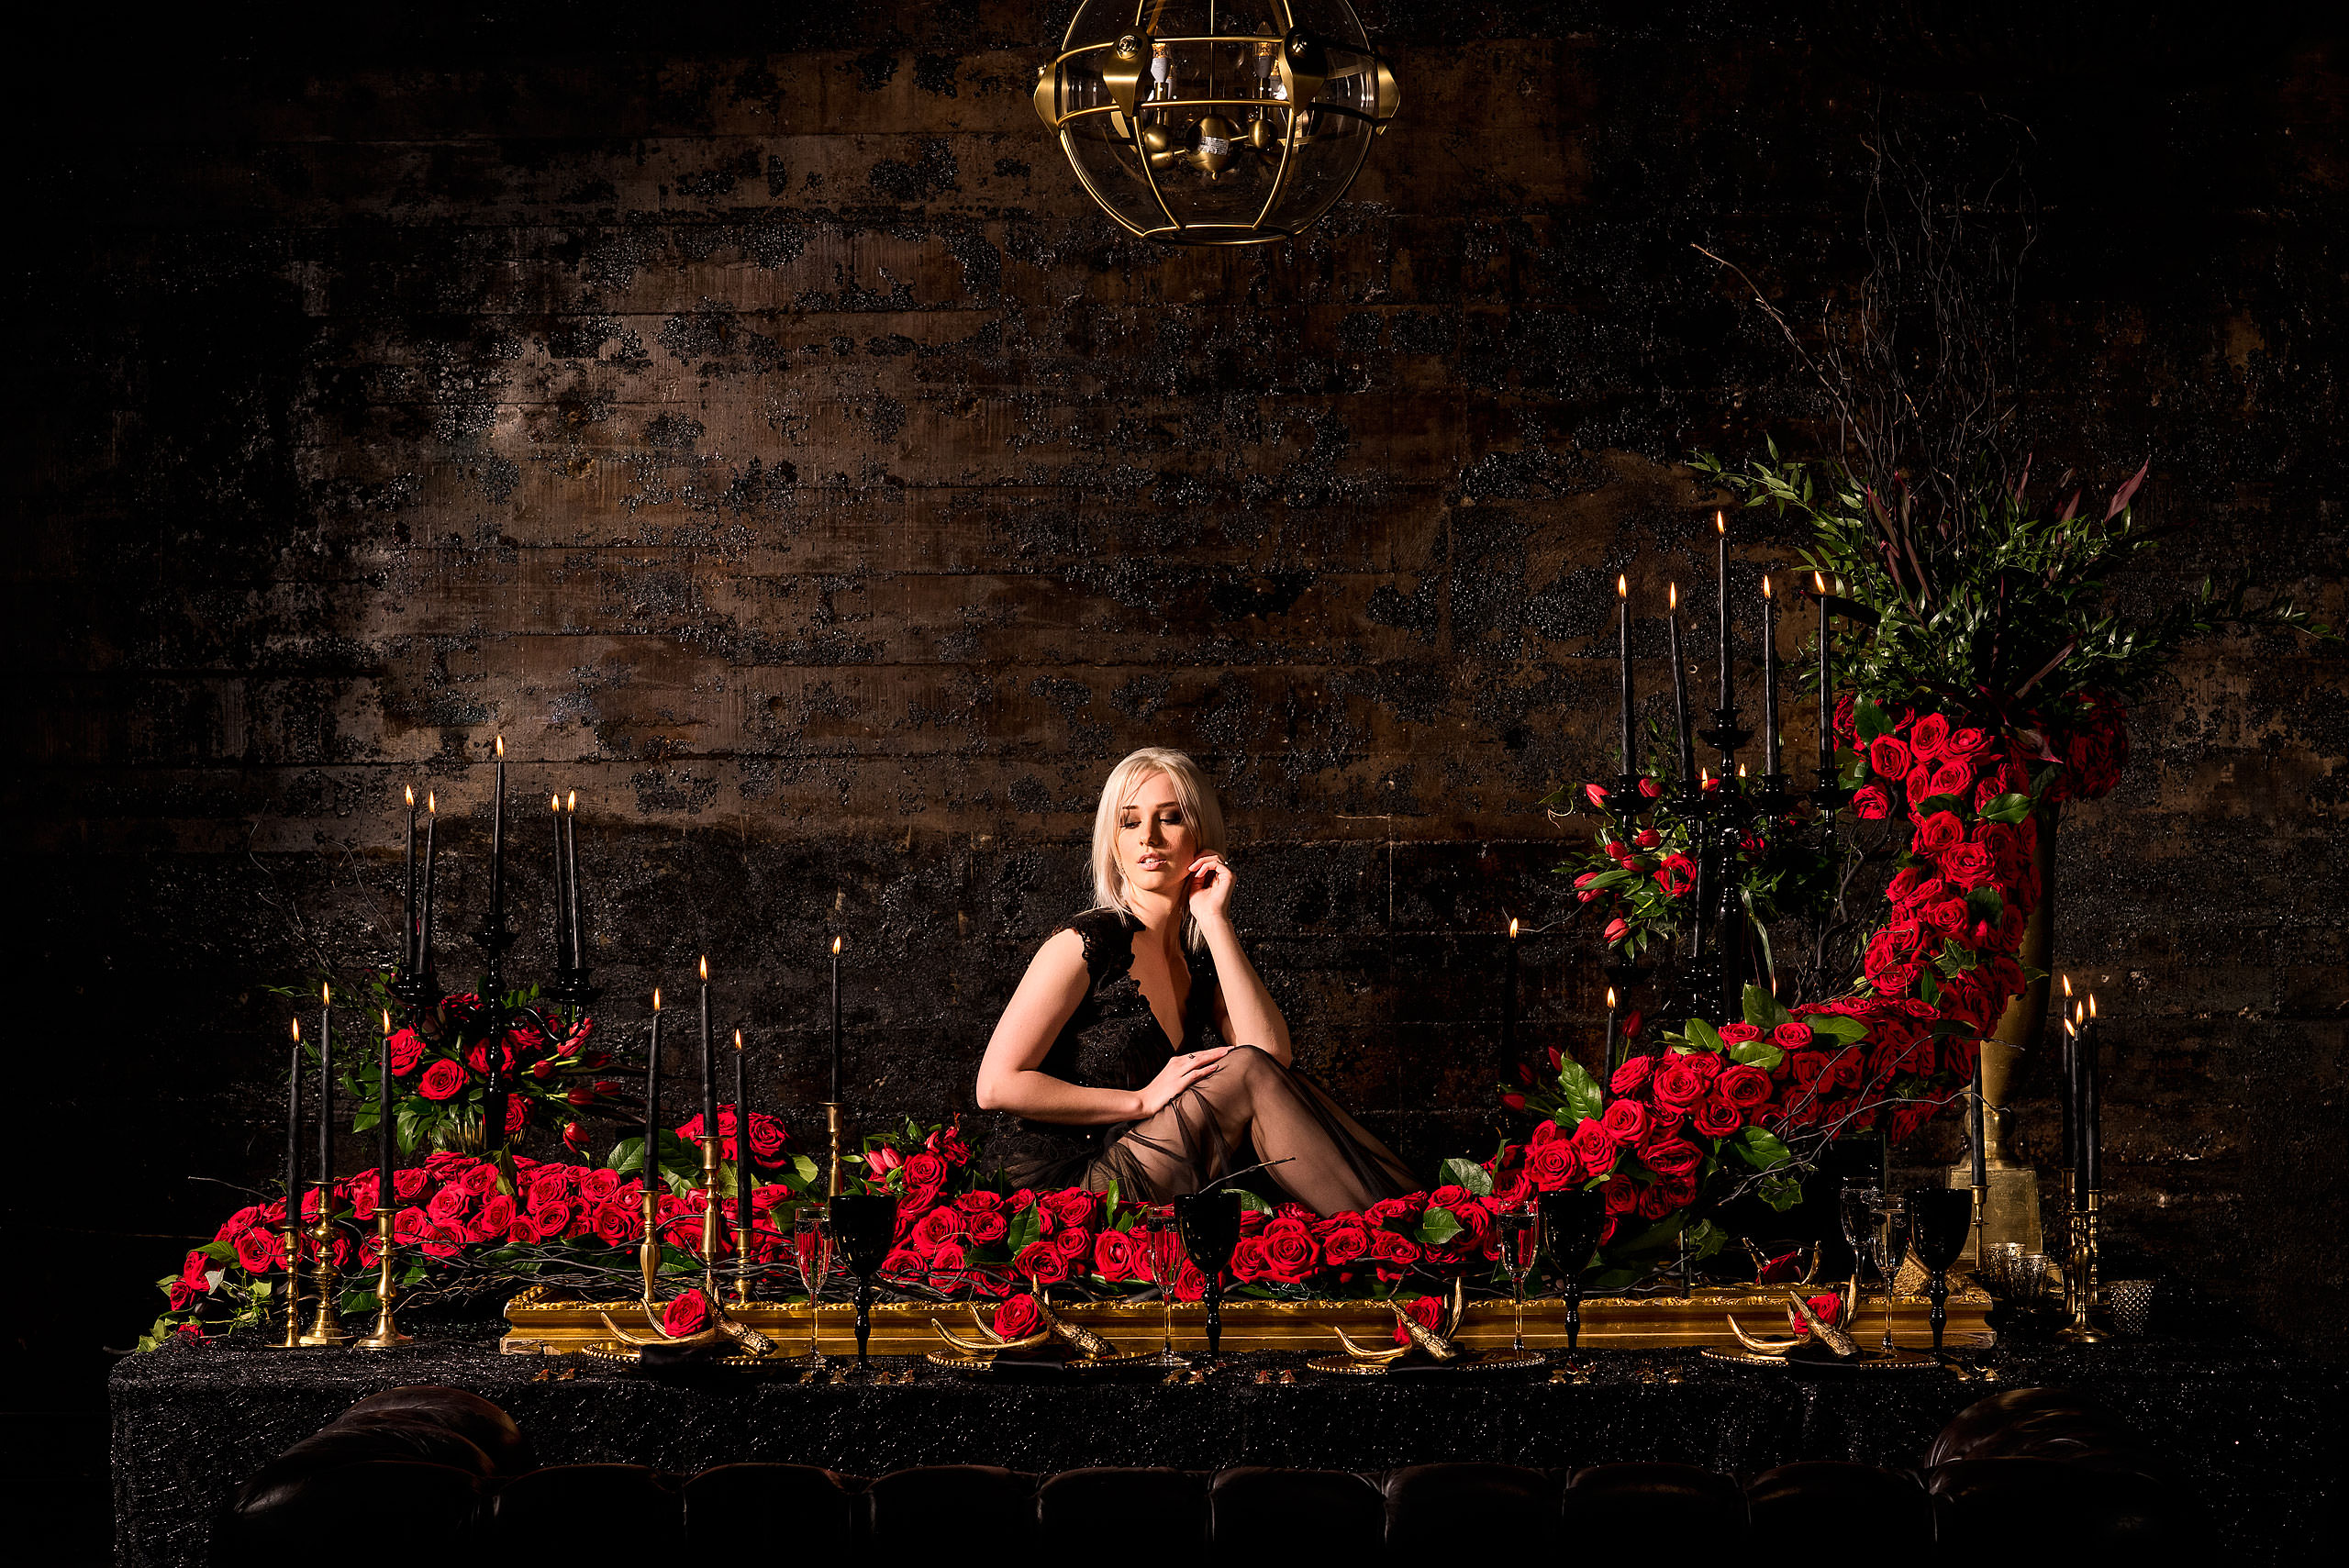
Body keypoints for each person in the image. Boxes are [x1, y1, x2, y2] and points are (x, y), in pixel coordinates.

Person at [976, 747, 1417, 1215]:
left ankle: (1423, 1221)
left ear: (1200, 836)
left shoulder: (1197, 958)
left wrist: (1214, 920)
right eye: (1130, 822)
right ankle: (1400, 1235)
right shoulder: (1083, 944)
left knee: (1259, 1071)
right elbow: (997, 1086)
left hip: (1144, 1164)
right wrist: (1140, 1102)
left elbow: (1272, 1059)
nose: (1148, 837)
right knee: (1242, 1074)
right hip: (1065, 1184)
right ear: (1113, 841)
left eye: (1169, 818)